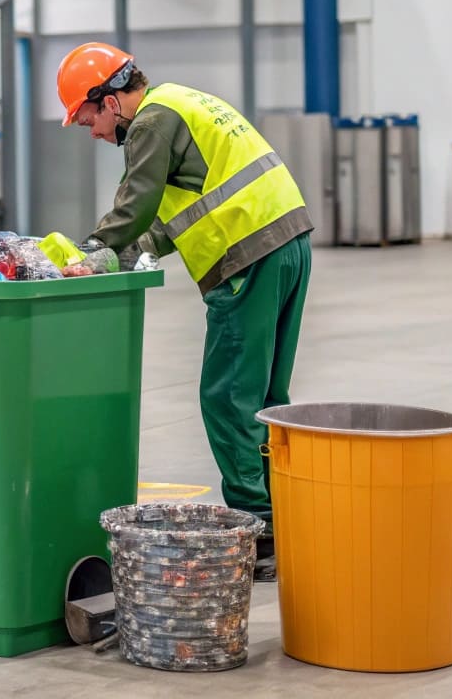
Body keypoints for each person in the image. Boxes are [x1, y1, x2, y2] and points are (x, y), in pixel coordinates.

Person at [57, 42, 311, 576]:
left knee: (227, 399)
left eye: (89, 121)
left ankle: (259, 534)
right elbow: (170, 221)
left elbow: (137, 200)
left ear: (110, 99)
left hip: (246, 256)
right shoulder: (182, 104)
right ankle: (283, 520)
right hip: (287, 242)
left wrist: (90, 251)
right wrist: (118, 258)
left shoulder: (150, 123)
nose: (96, 134)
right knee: (266, 398)